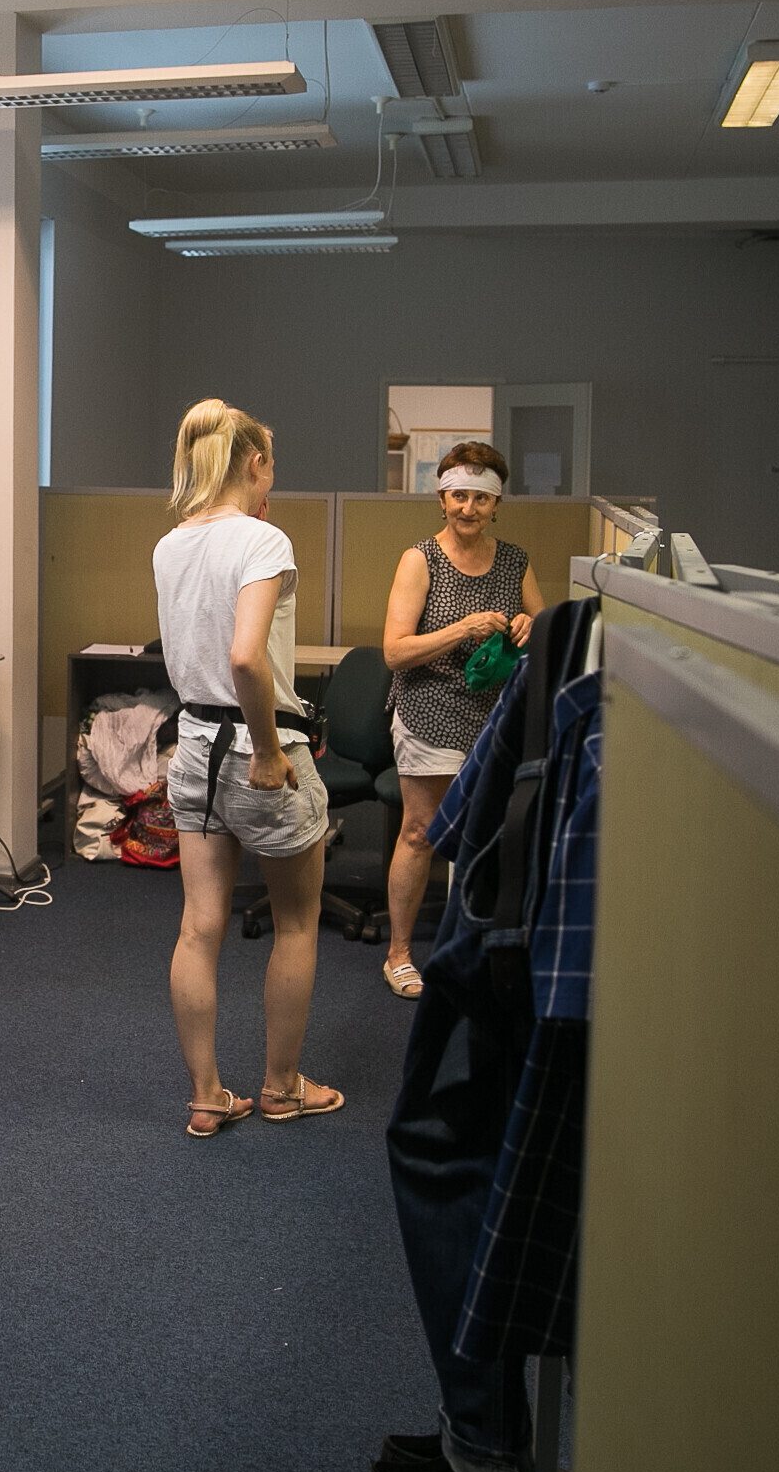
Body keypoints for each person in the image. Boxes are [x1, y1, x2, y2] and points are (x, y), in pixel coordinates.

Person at [153, 398, 344, 1137]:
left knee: (199, 927)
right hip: (261, 751)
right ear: (255, 462)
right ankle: (281, 1088)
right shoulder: (263, 540)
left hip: (194, 749)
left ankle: (207, 1096)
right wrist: (266, 750)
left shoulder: (170, 544)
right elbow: (245, 656)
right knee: (296, 923)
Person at [377, 442, 544, 1000]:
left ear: (496, 505)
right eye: (458, 496)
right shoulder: (420, 559)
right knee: (421, 831)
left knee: (490, 834)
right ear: (442, 499)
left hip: (494, 717)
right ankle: (400, 955)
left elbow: (546, 630)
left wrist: (529, 626)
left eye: (480, 498)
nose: (468, 508)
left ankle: (474, 950)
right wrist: (461, 629)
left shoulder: (515, 561)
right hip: (429, 711)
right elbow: (394, 652)